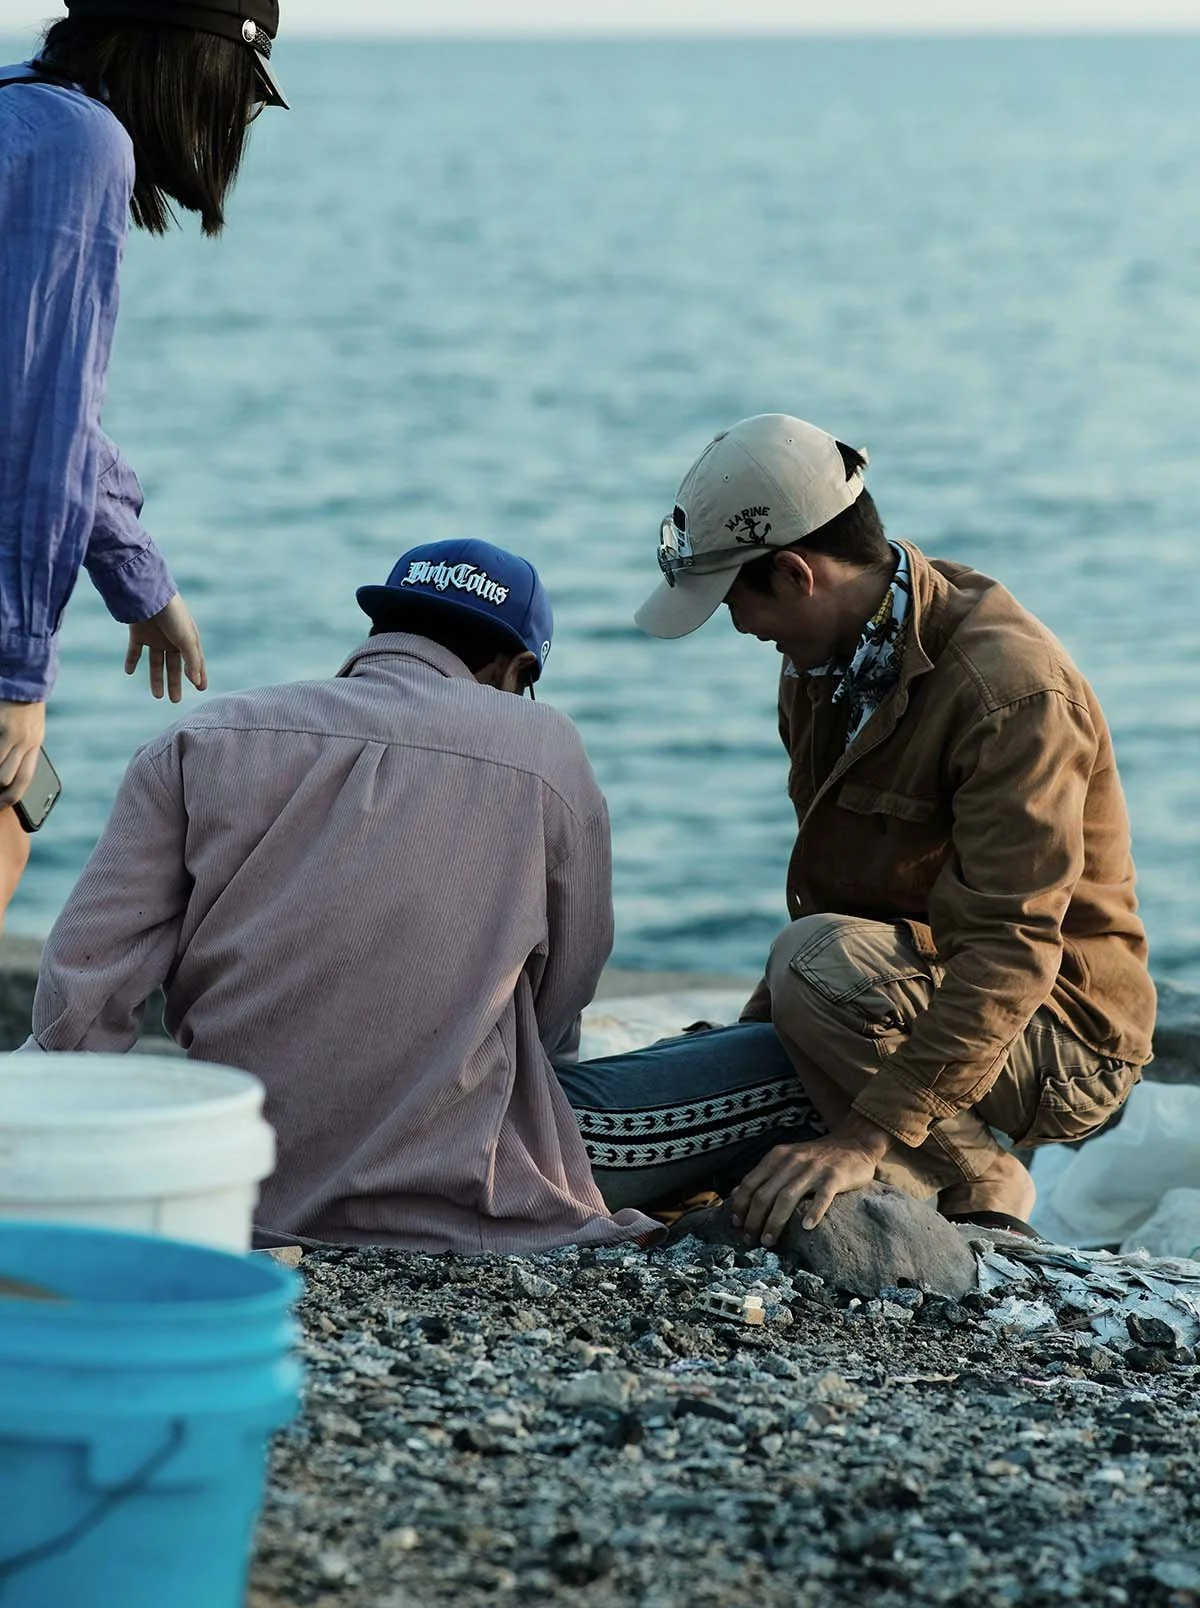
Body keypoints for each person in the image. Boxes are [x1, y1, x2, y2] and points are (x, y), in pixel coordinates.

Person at [27, 536, 821, 1251]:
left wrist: (78, 1161)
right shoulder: (545, 753)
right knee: (786, 1060)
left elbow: (84, 993)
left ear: (384, 633)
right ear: (518, 672)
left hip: (241, 1174)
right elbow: (559, 1001)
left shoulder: (201, 739)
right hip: (471, 1184)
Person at [635, 413, 1155, 1246]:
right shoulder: (818, 665)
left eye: (735, 598)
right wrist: (757, 1037)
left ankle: (980, 1179)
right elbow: (832, 897)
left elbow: (1012, 948)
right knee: (730, 1062)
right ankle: (907, 1161)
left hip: (1058, 1032)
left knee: (811, 966)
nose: (738, 627)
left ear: (798, 575)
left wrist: (862, 1138)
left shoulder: (1009, 692)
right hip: (898, 987)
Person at [0, 0, 289, 927]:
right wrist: (16, 671)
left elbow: (42, 400)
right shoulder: (83, 146)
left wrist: (134, 570)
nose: (231, 121)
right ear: (189, 63)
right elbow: (32, 418)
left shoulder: (16, 109)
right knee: (6, 819)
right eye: (238, 88)